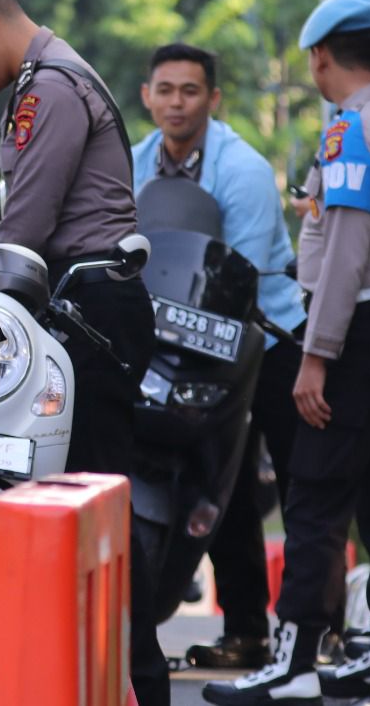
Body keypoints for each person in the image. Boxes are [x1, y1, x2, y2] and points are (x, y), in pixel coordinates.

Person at [0, 0, 168, 706]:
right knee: (87, 505)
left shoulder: (48, 87)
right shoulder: (51, 77)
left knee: (93, 503)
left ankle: (139, 682)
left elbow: (21, 230)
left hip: (88, 311)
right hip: (87, 307)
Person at [205, 0, 370, 706]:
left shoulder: (352, 132)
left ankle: (296, 660)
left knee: (315, 496)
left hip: (359, 327)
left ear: (320, 57)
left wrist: (315, 354)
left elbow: (344, 256)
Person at [132, 43, 308, 672]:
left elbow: (245, 273)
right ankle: (246, 633)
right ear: (148, 96)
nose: (176, 102)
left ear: (213, 99)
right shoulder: (136, 164)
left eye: (190, 91)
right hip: (182, 338)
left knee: (296, 484)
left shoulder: (245, 170)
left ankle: (314, 633)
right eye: (166, 90)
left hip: (268, 334)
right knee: (218, 477)